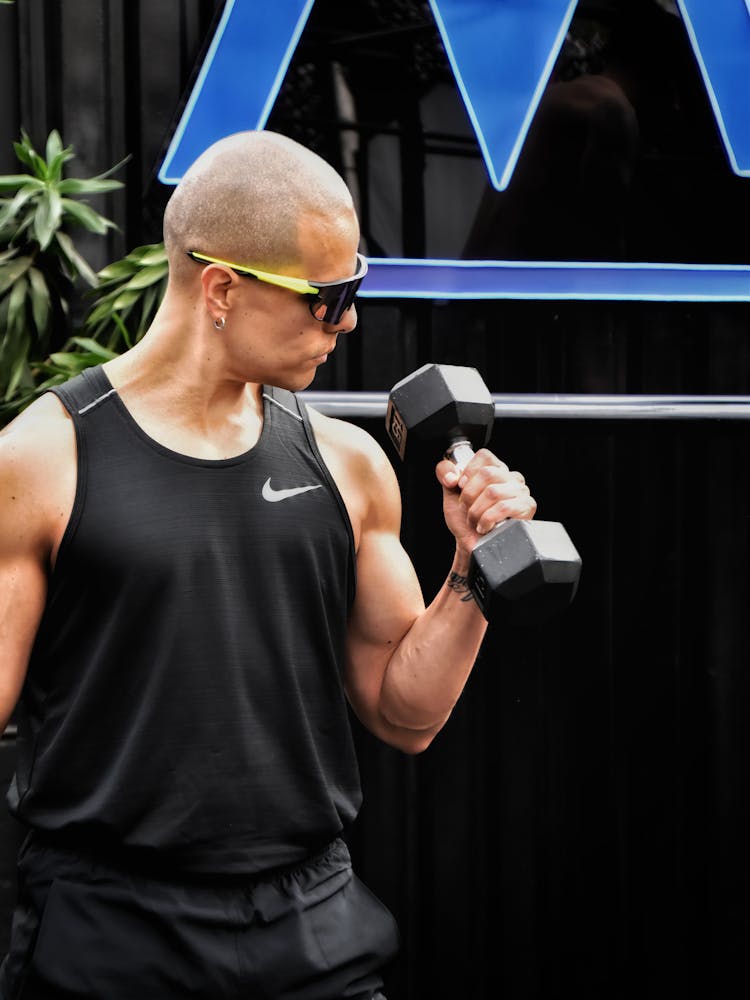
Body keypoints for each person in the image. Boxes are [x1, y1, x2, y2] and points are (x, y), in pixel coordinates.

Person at [0, 129, 536, 999]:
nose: (350, 319)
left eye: (354, 288)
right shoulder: (43, 462)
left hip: (311, 924)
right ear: (222, 287)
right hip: (110, 930)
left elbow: (406, 717)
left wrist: (472, 571)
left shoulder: (348, 463)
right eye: (328, 298)